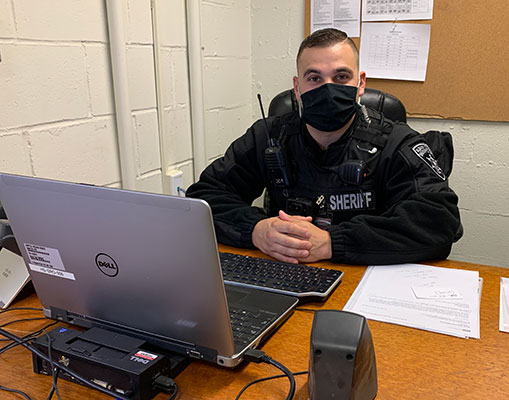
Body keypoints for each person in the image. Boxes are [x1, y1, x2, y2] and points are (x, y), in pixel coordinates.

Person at [186, 28, 462, 265]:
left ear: (361, 83)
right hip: (286, 270)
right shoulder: (268, 135)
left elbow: (439, 221)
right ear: (297, 87)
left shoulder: (396, 142)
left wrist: (333, 242)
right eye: (314, 78)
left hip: (364, 277)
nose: (328, 88)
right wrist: (254, 229)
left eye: (341, 77)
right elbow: (204, 198)